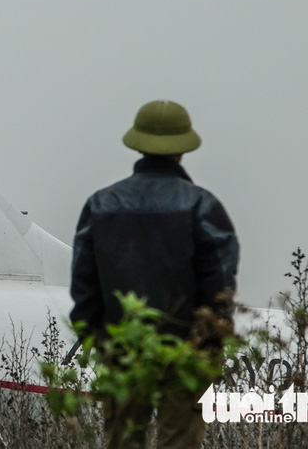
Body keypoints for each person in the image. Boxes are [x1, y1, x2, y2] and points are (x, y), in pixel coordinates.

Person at [70, 100, 239, 449]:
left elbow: (84, 287)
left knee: (122, 441)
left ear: (137, 145)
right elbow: (219, 287)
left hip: (124, 351)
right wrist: (207, 347)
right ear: (182, 151)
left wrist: (99, 341)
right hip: (186, 355)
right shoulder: (202, 206)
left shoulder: (100, 205)